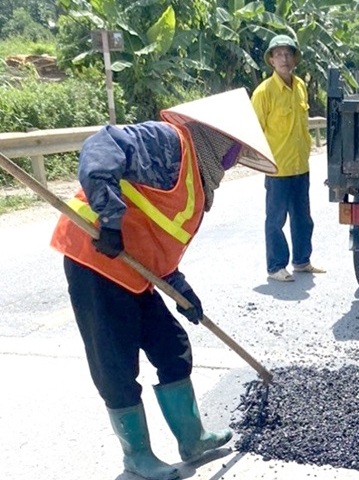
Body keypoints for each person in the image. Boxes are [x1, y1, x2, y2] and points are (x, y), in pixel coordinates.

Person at [50, 89, 277, 480]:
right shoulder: (168, 142)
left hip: (135, 274)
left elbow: (159, 242)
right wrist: (110, 218)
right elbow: (101, 146)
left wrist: (180, 290)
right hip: (96, 261)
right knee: (116, 365)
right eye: (232, 150)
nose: (232, 160)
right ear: (216, 138)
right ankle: (137, 456)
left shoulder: (196, 181)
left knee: (172, 346)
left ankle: (194, 440)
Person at [251, 34, 325, 282]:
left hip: (300, 165)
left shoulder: (300, 86)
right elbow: (254, 130)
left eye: (288, 53)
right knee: (275, 220)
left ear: (294, 58)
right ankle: (275, 267)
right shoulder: (264, 92)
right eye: (278, 54)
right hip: (278, 168)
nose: (284, 58)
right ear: (271, 60)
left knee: (303, 218)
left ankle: (302, 261)